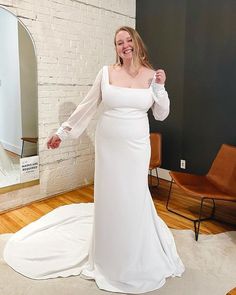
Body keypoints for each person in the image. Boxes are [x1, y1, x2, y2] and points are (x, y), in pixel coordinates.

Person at [3, 26, 184, 293]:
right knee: (111, 198)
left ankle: (135, 254)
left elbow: (162, 114)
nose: (124, 45)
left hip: (136, 147)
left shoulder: (151, 76)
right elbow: (87, 106)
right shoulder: (106, 73)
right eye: (119, 42)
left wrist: (161, 87)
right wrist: (62, 133)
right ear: (116, 48)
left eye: (128, 40)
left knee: (133, 197)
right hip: (109, 145)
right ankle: (108, 257)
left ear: (136, 43)